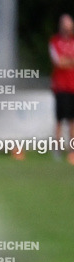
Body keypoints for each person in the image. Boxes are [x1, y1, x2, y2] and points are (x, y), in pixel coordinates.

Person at [49, 14, 74, 164]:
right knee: (59, 120)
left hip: (73, 86)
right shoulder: (55, 41)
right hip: (60, 86)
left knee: (72, 120)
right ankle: (57, 150)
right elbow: (58, 61)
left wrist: (67, 61)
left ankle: (72, 151)